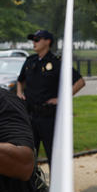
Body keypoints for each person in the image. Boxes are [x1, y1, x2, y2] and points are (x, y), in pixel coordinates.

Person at [16, 29, 85, 161]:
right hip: (30, 116)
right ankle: (32, 182)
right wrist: (19, 92)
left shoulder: (56, 62)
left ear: (47, 41)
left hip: (49, 117)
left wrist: (62, 99)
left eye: (37, 40)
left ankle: (55, 181)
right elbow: (20, 81)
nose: (34, 43)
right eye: (33, 40)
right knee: (29, 155)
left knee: (53, 155)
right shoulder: (30, 61)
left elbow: (80, 82)